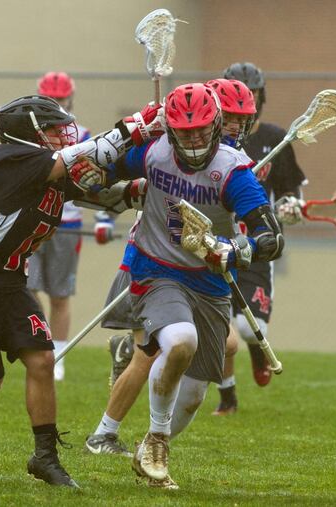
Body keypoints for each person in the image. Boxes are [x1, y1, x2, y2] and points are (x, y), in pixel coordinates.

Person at [0, 94, 162, 487]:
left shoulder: (49, 172)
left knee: (43, 361)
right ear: (28, 134)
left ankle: (44, 457)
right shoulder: (10, 158)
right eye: (50, 130)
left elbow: (107, 192)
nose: (59, 136)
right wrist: (137, 125)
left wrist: (151, 185)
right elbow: (91, 152)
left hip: (10, 282)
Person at [91, 82, 284, 488]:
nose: (193, 139)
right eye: (184, 131)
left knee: (194, 394)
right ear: (171, 129)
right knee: (179, 340)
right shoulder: (154, 152)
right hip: (156, 271)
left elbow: (271, 237)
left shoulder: (232, 169)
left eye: (201, 130)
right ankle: (157, 438)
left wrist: (235, 249)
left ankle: (149, 449)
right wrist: (115, 192)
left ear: (214, 126)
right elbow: (97, 175)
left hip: (209, 284)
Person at [211, 62, 307, 416]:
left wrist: (290, 207)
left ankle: (254, 349)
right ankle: (227, 396)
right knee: (224, 325)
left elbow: (288, 191)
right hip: (217, 240)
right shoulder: (206, 139)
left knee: (248, 329)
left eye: (250, 94)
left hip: (255, 246)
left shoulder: (273, 137)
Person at [27, 72, 92, 382]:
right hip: (34, 221)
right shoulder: (29, 134)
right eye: (51, 99)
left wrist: (104, 220)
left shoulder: (84, 136)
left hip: (67, 225)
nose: (56, 104)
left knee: (60, 294)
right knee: (26, 285)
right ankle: (41, 346)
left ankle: (60, 356)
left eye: (61, 99)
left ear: (71, 99)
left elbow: (97, 182)